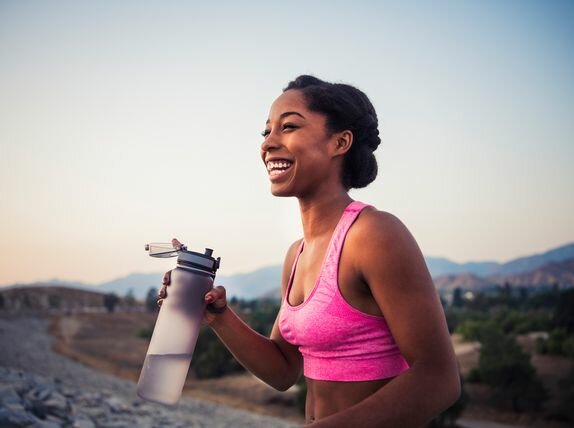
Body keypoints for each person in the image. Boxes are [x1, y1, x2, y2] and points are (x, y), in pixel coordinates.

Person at [159, 75, 460, 427]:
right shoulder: (296, 255)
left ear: (340, 142)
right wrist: (218, 317)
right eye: (265, 132)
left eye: (288, 127)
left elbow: (440, 379)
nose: (269, 143)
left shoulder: (374, 235)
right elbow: (284, 369)